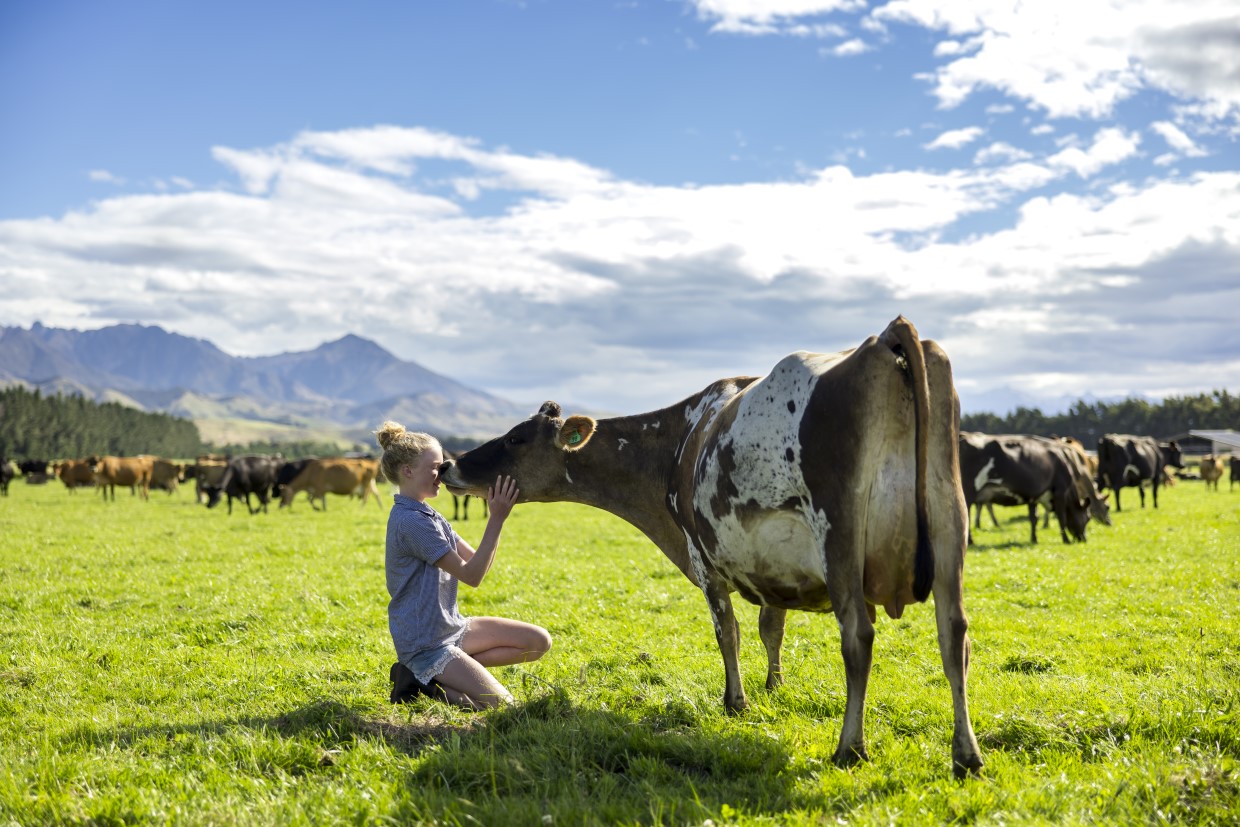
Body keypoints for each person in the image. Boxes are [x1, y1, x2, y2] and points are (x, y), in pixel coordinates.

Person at [375, 421, 552, 709]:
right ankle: (422, 684)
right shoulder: (412, 523)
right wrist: (496, 518)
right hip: (426, 645)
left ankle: (446, 677)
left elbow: (475, 561)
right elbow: (473, 576)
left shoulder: (428, 514)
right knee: (504, 706)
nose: (442, 475)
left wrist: (490, 502)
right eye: (435, 468)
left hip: (452, 629)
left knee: (538, 641)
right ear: (407, 471)